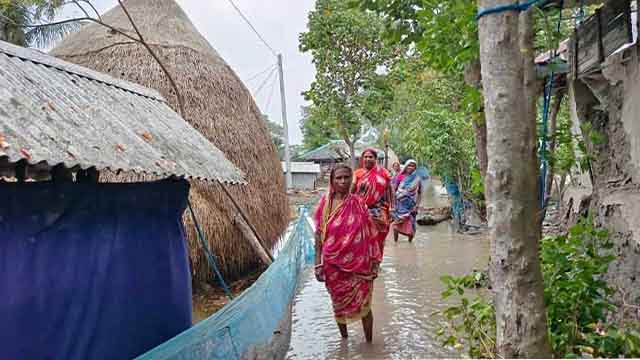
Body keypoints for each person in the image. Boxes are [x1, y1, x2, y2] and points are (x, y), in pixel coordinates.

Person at [314, 164, 382, 343]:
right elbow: (318, 234)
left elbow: (371, 233)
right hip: (332, 266)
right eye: (338, 178)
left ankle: (369, 345)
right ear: (332, 180)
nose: (343, 181)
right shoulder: (324, 204)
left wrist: (375, 262)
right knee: (338, 305)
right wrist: (317, 264)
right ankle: (344, 341)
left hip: (360, 266)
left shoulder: (359, 203)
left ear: (351, 179)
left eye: (346, 177)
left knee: (365, 306)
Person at [352, 149, 393, 255]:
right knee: (361, 237)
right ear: (362, 159)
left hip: (379, 209)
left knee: (379, 236)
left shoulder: (384, 173)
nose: (368, 159)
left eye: (370, 157)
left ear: (375, 159)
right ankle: (364, 261)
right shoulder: (357, 173)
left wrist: (392, 207)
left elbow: (389, 190)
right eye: (365, 157)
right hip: (360, 210)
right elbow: (352, 192)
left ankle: (376, 261)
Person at [392, 160, 423, 243]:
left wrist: (417, 206)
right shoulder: (400, 176)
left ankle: (410, 243)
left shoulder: (417, 179)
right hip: (399, 204)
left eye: (413, 166)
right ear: (406, 166)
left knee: (411, 226)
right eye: (409, 165)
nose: (411, 167)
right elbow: (394, 190)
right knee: (396, 225)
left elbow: (419, 193)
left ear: (415, 168)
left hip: (411, 205)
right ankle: (396, 243)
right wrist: (394, 204)